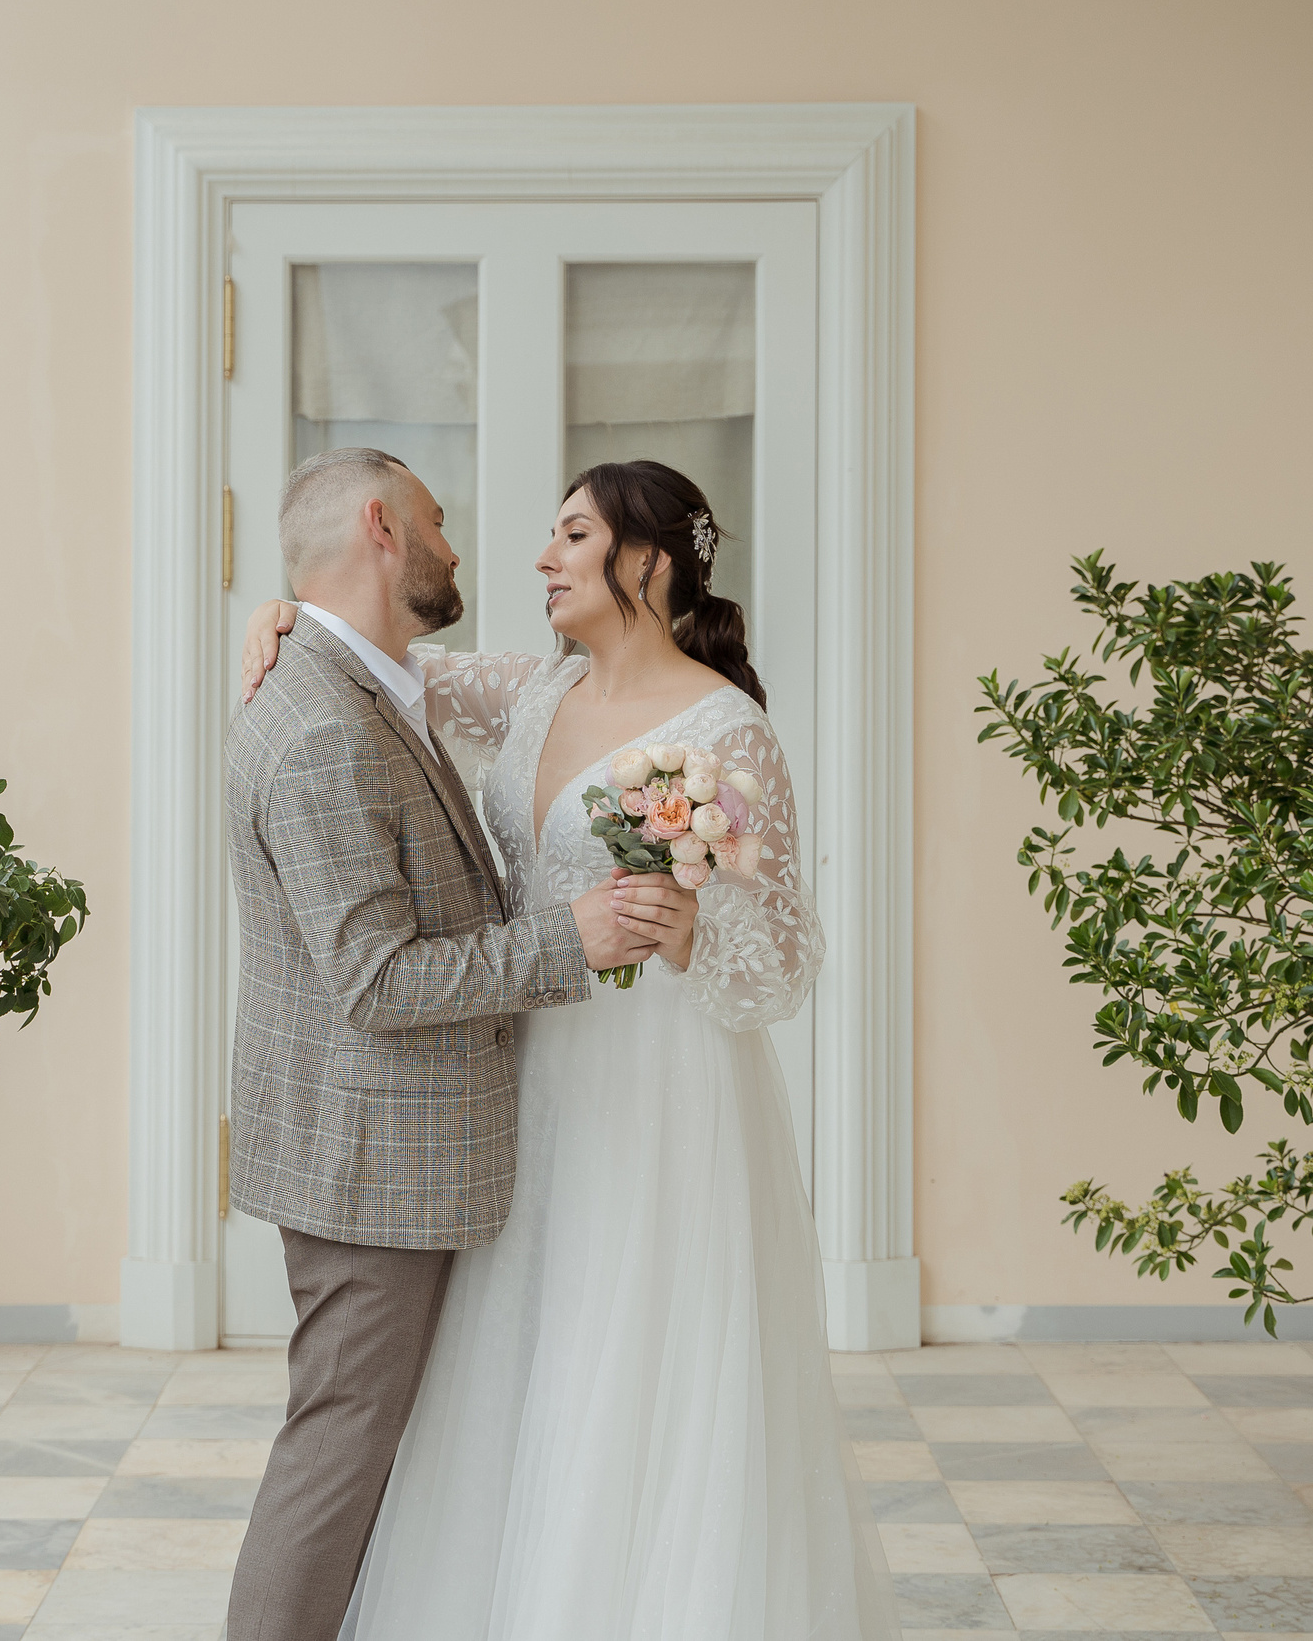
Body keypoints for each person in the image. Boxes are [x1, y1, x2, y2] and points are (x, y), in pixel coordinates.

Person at [239, 457, 897, 1639]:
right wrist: (280, 613)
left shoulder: (724, 734)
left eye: (570, 535)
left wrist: (695, 933)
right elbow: (381, 666)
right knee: (510, 1367)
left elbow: (787, 958)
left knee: (632, 1364)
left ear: (644, 561)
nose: (540, 559)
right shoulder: (531, 696)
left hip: (659, 1091)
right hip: (523, 1079)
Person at [221, 447, 661, 1641]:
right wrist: (569, 939)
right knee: (338, 1450)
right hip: (371, 1162)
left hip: (389, 1152)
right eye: (438, 521)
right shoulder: (322, 726)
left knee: (370, 1446)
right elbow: (376, 979)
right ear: (380, 526)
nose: (460, 548)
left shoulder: (364, 683)